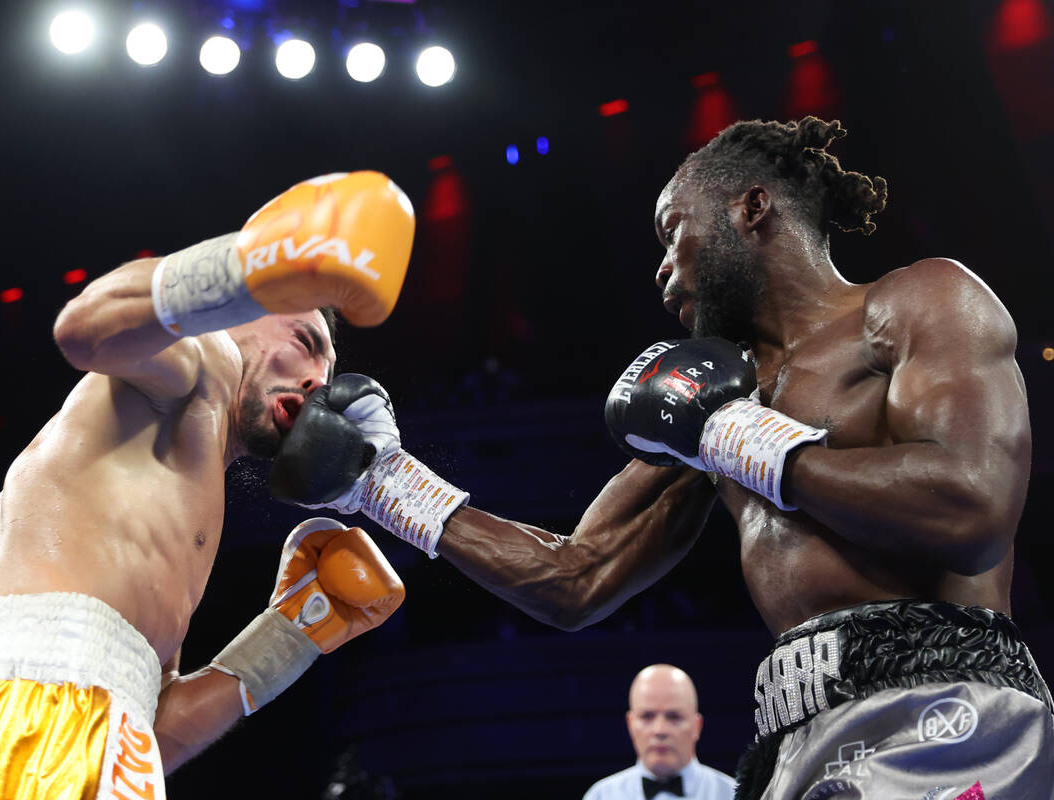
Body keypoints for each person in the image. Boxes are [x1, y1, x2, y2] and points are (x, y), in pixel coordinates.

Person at [272, 119, 1054, 799]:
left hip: (944, 713)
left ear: (752, 207)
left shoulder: (916, 302)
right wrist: (384, 481)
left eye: (673, 231)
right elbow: (577, 577)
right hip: (797, 739)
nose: (661, 268)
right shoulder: (717, 400)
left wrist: (741, 440)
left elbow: (971, 510)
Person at [0, 170, 415, 799]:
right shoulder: (204, 361)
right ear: (244, 313)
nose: (319, 382)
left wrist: (291, 635)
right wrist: (252, 265)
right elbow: (85, 327)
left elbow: (148, 734)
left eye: (329, 374)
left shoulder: (180, 488)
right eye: (306, 342)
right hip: (27, 724)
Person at [583, 665, 735, 800]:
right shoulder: (600, 796)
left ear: (697, 726)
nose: (660, 730)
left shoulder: (733, 795)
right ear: (630, 724)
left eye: (674, 717)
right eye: (647, 717)